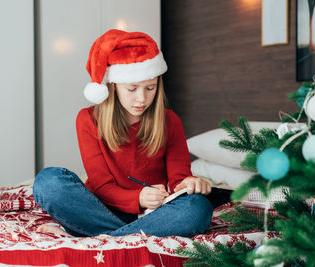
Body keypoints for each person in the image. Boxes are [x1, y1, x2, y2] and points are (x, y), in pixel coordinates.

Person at [33, 29, 213, 237]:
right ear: (114, 86)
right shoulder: (88, 119)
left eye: (150, 88)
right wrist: (137, 198)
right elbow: (101, 186)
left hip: (154, 214)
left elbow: (178, 179)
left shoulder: (170, 121)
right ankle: (124, 235)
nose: (142, 99)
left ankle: (101, 236)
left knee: (198, 207)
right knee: (48, 181)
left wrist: (189, 183)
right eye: (132, 89)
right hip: (100, 210)